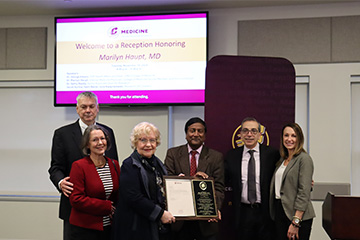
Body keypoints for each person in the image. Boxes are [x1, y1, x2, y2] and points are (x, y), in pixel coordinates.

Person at [48, 91, 118, 240]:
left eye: (91, 106)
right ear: (77, 109)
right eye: (84, 107)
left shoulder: (108, 133)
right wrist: (61, 182)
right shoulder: (62, 134)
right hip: (75, 210)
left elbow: (113, 166)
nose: (88, 110)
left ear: (97, 108)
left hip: (105, 214)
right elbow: (55, 168)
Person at [112, 122, 175, 240]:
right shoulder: (129, 165)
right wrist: (160, 214)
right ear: (135, 142)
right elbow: (133, 197)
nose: (148, 144)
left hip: (154, 226)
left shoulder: (158, 163)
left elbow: (161, 188)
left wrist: (176, 183)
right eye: (143, 140)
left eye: (152, 140)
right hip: (135, 228)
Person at [164, 117, 225, 240]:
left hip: (206, 221)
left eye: (200, 131)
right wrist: (190, 179)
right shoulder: (173, 154)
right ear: (186, 134)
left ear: (205, 135)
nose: (196, 134)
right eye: (192, 131)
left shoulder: (216, 157)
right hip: (179, 221)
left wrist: (214, 208)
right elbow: (167, 185)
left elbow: (219, 187)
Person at [225, 117, 280, 240]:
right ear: (240, 134)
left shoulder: (272, 154)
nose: (249, 134)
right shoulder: (232, 156)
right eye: (245, 131)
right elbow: (221, 178)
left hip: (266, 212)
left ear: (260, 134)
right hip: (243, 213)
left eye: (254, 131)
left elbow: (284, 174)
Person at [69, 125, 120, 240]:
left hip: (109, 227)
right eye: (95, 140)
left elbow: (119, 194)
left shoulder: (114, 164)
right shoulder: (79, 166)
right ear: (87, 144)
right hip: (85, 229)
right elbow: (76, 199)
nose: (100, 143)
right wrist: (105, 206)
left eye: (102, 138)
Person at [269, 123, 315, 240]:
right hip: (280, 212)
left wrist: (295, 222)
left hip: (297, 215)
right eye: (286, 135)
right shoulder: (282, 160)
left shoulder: (304, 159)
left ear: (299, 138)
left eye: (293, 136)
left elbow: (303, 192)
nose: (289, 139)